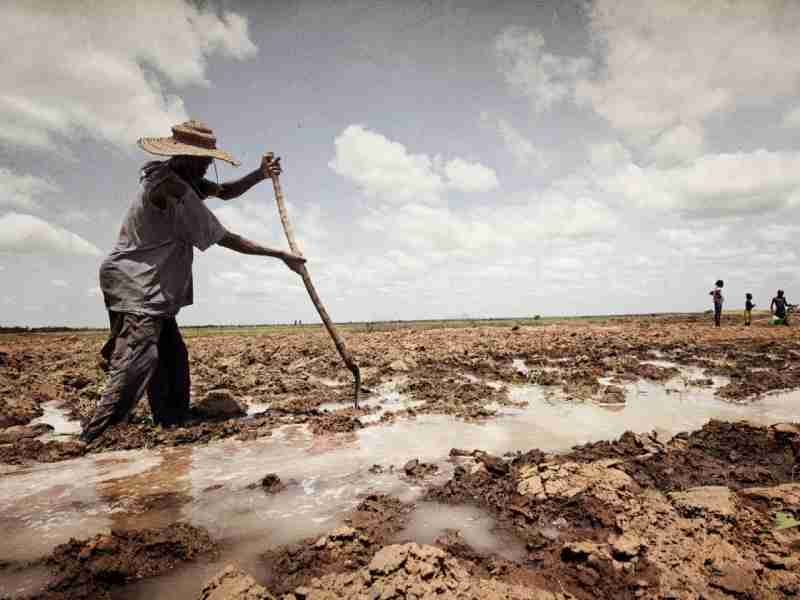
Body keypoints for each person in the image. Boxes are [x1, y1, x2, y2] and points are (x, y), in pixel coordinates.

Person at [80, 120, 305, 444]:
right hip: (136, 282)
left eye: (207, 160)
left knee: (172, 357)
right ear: (184, 157)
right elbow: (223, 236)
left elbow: (225, 192)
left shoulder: (183, 179)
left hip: (147, 284)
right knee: (138, 359)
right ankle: (96, 436)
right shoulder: (172, 187)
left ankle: (171, 422)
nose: (206, 166)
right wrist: (280, 255)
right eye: (202, 161)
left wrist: (260, 174)